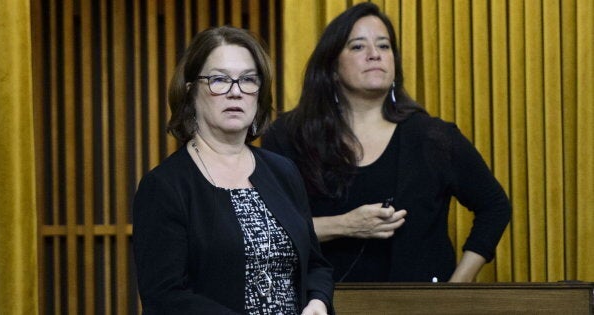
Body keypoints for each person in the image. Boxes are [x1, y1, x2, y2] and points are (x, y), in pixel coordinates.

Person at [262, 3, 511, 283]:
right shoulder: (288, 136)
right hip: (318, 304)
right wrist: (345, 225)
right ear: (332, 67)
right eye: (357, 47)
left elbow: (495, 207)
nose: (374, 55)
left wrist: (455, 292)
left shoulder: (433, 138)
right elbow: (264, 229)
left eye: (384, 46)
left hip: (417, 307)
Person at [132, 26, 334, 314]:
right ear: (191, 92)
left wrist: (317, 301)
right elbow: (164, 296)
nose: (236, 92)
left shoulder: (283, 171)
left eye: (248, 80)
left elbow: (315, 264)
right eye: (219, 80)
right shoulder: (165, 186)